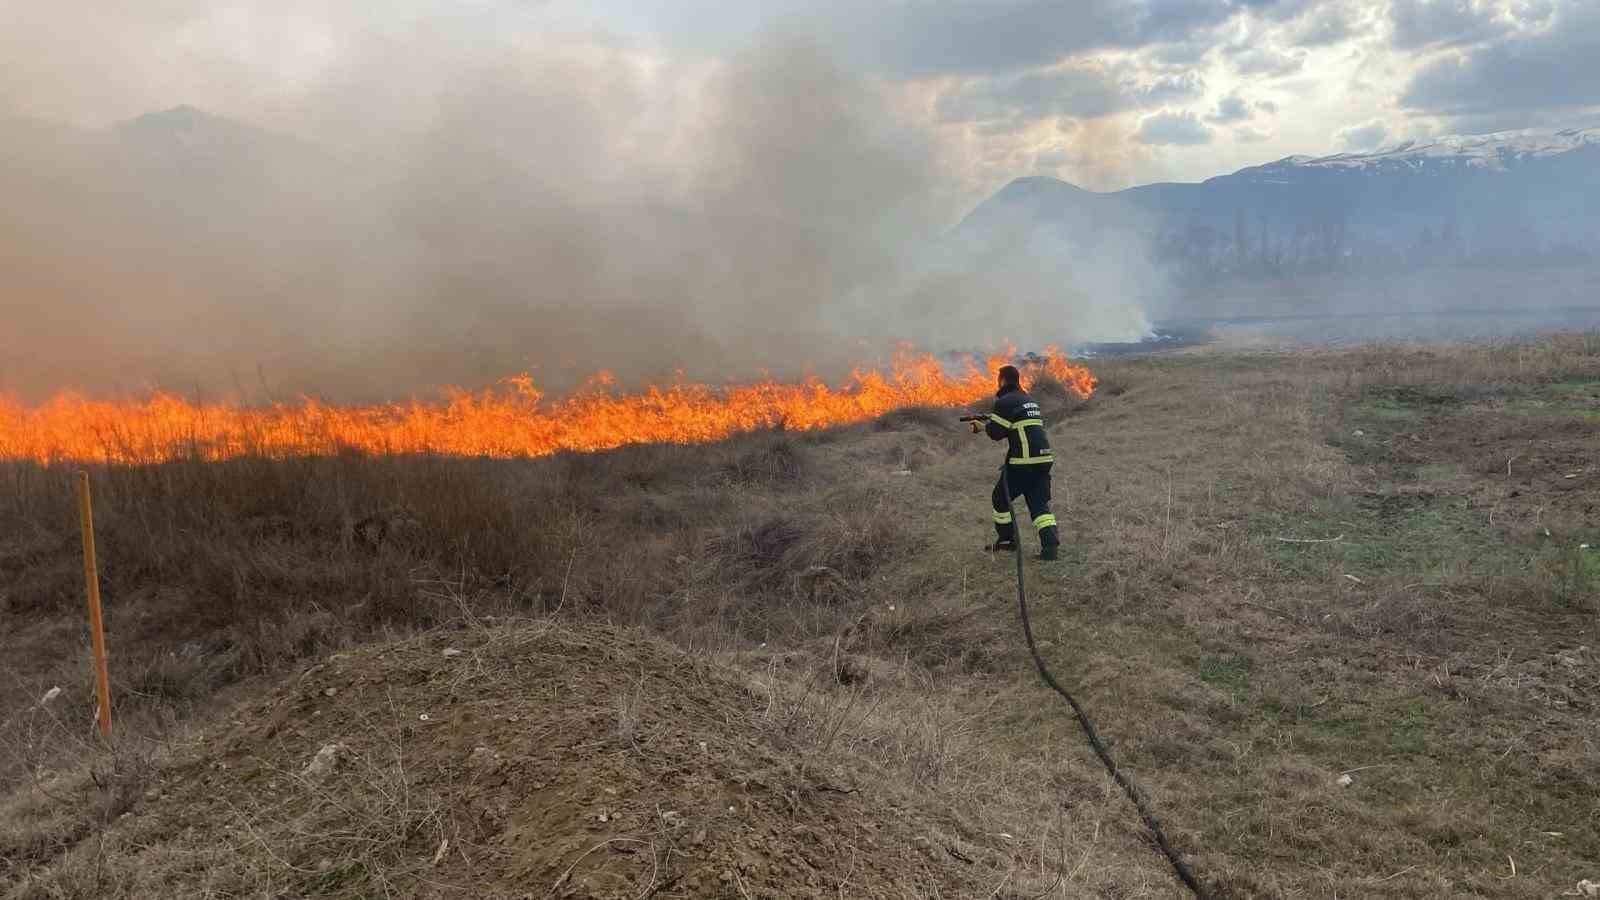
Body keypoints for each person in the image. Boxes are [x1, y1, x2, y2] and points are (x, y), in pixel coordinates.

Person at [979, 364, 1059, 560]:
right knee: (1038, 504)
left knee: (1000, 497)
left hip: (1024, 462)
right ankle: (1050, 549)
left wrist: (981, 427)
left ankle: (1007, 540)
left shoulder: (1005, 401)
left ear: (1003, 380)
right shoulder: (1028, 400)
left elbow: (996, 433)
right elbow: (1017, 424)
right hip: (1044, 458)